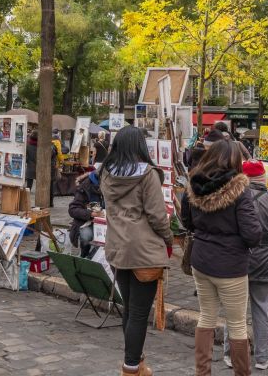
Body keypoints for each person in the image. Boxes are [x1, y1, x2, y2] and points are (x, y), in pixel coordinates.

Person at [180, 139, 262, 376]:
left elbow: (187, 221)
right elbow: (252, 234)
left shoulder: (193, 184)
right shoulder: (239, 189)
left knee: (206, 316)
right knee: (236, 324)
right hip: (230, 265)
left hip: (201, 259)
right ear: (234, 161)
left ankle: (202, 372)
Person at [99, 125, 173, 376]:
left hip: (117, 248)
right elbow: (157, 216)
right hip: (143, 251)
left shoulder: (106, 174)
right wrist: (169, 237)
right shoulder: (147, 174)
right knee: (139, 312)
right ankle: (131, 367)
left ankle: (136, 362)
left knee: (130, 309)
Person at [221, 160, 268, 371]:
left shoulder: (234, 198)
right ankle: (262, 358)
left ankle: (230, 354)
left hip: (239, 258)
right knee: (262, 310)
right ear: (263, 178)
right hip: (266, 259)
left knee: (234, 312)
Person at [68, 170, 105, 257]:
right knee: (86, 234)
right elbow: (73, 209)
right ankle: (85, 257)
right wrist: (91, 214)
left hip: (105, 222)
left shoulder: (110, 187)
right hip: (87, 222)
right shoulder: (84, 187)